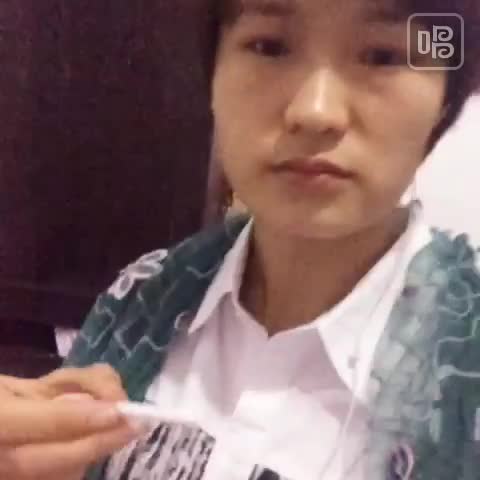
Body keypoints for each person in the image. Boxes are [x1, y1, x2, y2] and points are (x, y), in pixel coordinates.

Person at [2, 0, 480, 478]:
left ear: (444, 100)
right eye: (269, 46)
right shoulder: (139, 300)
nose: (315, 112)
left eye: (383, 56)